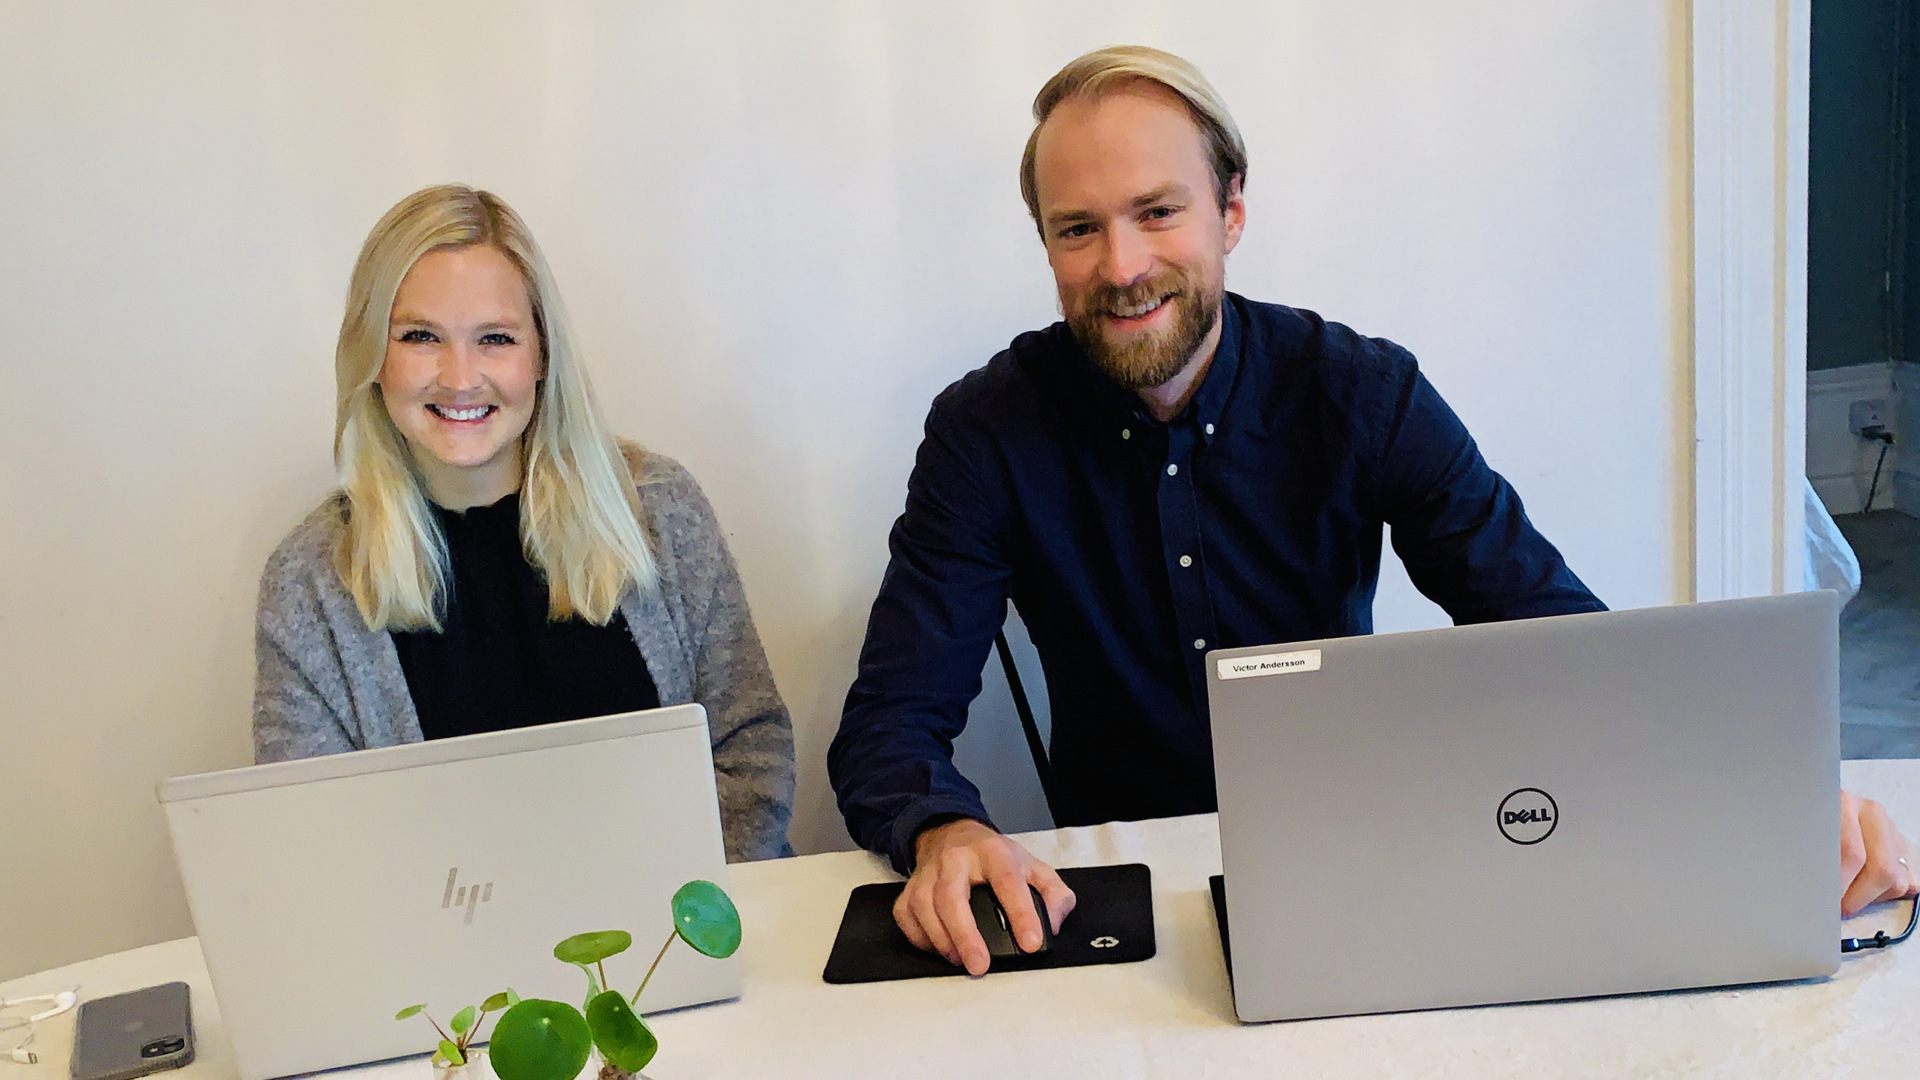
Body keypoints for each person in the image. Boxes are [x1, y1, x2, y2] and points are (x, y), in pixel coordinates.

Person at [827, 46, 1916, 975]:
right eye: (1077, 229)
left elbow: (1560, 640)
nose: (1121, 265)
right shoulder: (984, 431)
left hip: (1373, 864)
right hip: (1128, 900)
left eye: (1158, 211)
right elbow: (890, 722)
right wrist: (944, 828)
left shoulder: (1365, 392)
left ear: (1232, 209)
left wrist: (1761, 785)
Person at [253, 184, 794, 863]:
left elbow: (751, 749)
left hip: (679, 937)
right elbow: (312, 849)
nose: (460, 377)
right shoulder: (310, 582)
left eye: (495, 339)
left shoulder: (659, 510)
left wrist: (674, 932)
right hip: (451, 958)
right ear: (372, 358)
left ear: (540, 355)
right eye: (420, 337)